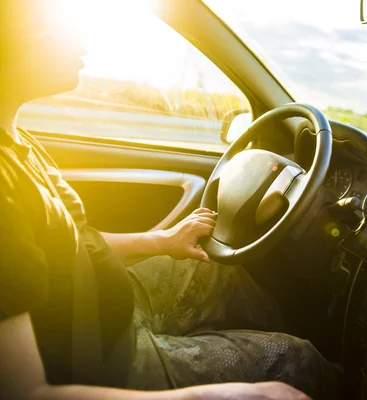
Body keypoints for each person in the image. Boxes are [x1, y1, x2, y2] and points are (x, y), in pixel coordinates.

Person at [0, 1, 340, 399]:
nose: (83, 35)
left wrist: (161, 241)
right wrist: (221, 395)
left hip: (102, 310)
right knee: (297, 361)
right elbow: (24, 392)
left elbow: (69, 241)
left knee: (215, 268)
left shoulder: (17, 139)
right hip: (105, 360)